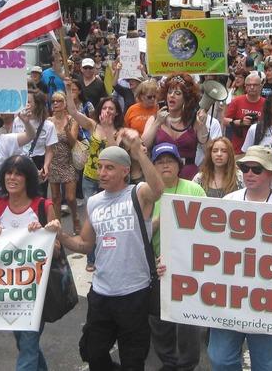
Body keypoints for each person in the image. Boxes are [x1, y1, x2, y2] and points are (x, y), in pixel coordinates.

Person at [57, 132, 163, 371]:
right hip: (102, 293)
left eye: (109, 168)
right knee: (93, 353)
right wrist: (60, 236)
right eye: (100, 167)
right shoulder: (94, 202)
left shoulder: (138, 193)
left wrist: (138, 154)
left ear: (125, 171)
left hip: (134, 293)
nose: (102, 173)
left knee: (133, 360)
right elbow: (85, 244)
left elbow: (158, 190)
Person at [207, 145, 272, 370]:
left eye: (256, 169)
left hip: (269, 301)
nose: (249, 174)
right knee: (220, 359)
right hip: (229, 297)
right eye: (245, 168)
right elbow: (206, 247)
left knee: (266, 365)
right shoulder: (228, 202)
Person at [0, 155, 59, 371]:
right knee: (25, 343)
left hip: (36, 290)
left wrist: (45, 235)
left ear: (28, 179)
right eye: (9, 172)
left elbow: (56, 250)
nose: (12, 177)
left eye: (18, 173)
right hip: (9, 288)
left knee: (27, 344)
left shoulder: (43, 206)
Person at [148, 142, 205, 371]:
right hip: (158, 264)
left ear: (179, 165)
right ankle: (168, 361)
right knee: (158, 319)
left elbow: (210, 226)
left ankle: (187, 364)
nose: (165, 166)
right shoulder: (147, 193)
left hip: (190, 264)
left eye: (169, 161)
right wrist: (164, 217)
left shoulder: (194, 190)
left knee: (189, 320)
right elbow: (141, 232)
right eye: (159, 162)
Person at [64, 80, 124, 271]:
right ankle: (91, 258)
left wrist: (108, 130)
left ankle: (110, 254)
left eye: (111, 109)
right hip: (90, 178)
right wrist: (68, 91)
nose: (107, 111)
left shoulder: (119, 132)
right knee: (93, 219)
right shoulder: (92, 125)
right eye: (105, 107)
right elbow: (73, 112)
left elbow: (116, 153)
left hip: (111, 183)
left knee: (110, 220)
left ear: (116, 113)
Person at [143, 74, 208, 180]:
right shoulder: (154, 119)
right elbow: (144, 146)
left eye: (177, 93)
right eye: (169, 92)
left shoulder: (194, 121)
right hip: (161, 175)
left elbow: (209, 151)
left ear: (186, 99)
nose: (172, 96)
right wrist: (157, 123)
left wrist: (202, 127)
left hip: (189, 176)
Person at [47, 91, 79, 231]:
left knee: (71, 197)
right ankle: (57, 227)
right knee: (55, 198)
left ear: (65, 103)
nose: (55, 104)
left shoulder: (72, 120)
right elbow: (45, 144)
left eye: (59, 101)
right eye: (53, 101)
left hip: (68, 162)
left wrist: (66, 130)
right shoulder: (48, 121)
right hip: (53, 162)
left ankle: (75, 218)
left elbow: (73, 143)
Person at [22, 91, 57, 196]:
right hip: (22, 161)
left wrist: (46, 166)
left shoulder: (48, 125)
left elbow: (49, 150)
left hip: (38, 161)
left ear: (37, 104)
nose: (25, 104)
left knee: (39, 195)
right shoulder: (18, 121)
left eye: (28, 102)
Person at [224, 73, 264, 154]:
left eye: (255, 85)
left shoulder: (266, 104)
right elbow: (224, 121)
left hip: (259, 151)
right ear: (245, 86)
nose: (252, 87)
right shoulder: (237, 101)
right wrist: (240, 122)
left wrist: (259, 124)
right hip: (238, 149)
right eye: (249, 85)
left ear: (260, 86)